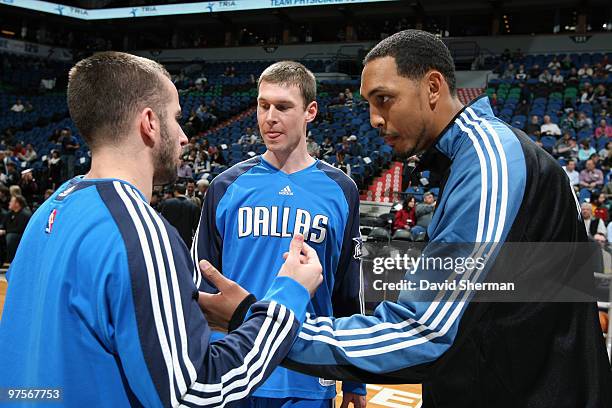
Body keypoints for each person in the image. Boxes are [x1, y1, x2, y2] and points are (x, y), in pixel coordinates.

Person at [201, 30, 612, 407]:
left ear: (432, 87)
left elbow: (424, 331)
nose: (374, 118)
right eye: (368, 104)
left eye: (384, 98)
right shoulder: (470, 161)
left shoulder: (490, 163)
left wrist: (264, 332)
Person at [0, 51, 324, 407]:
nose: (184, 136)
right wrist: (289, 294)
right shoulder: (137, 233)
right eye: (176, 118)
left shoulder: (49, 210)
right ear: (150, 122)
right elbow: (195, 391)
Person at [193, 60, 367, 408]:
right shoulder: (225, 186)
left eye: (283, 107)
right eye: (263, 105)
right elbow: (204, 284)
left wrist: (355, 379)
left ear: (310, 112)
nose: (269, 117)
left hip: (307, 373)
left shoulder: (341, 189)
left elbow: (348, 290)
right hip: (234, 370)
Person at [159, 183, 200, 248]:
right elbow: (196, 226)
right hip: (186, 240)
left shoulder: (167, 203)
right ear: (185, 191)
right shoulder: (193, 206)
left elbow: (162, 221)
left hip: (169, 238)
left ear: (175, 191)